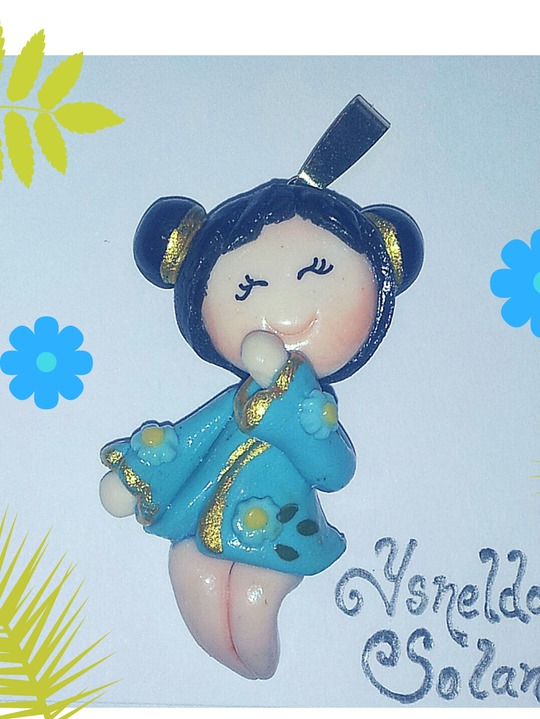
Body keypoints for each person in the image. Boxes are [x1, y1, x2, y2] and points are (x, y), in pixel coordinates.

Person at [100, 99, 423, 679]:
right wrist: (137, 475)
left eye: (318, 273)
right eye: (247, 286)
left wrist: (290, 403)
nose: (288, 305)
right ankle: (244, 662)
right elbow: (186, 437)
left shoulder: (312, 408)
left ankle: (255, 656)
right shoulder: (234, 402)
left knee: (255, 590)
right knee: (189, 565)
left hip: (282, 524)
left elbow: (335, 472)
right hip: (205, 511)